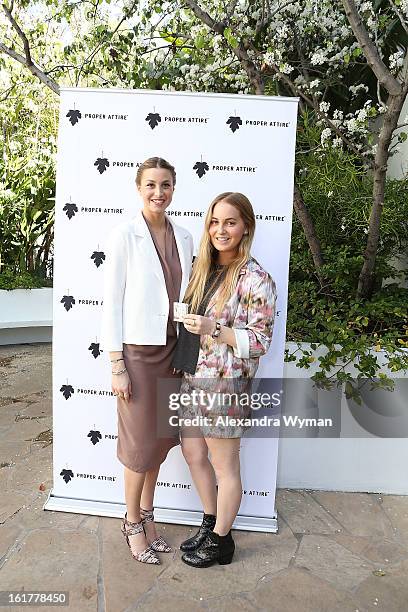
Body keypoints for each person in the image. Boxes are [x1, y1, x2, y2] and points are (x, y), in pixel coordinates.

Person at [172, 191, 277, 568]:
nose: (220, 230)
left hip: (225, 387)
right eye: (214, 222)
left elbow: (260, 340)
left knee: (225, 468)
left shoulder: (256, 278)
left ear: (245, 226)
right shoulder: (203, 268)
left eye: (230, 222)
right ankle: (209, 520)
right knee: (193, 454)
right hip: (191, 380)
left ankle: (222, 541)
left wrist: (216, 328)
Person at [100, 157, 193, 565]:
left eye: (166, 185)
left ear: (174, 189)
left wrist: (188, 355)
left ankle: (149, 517)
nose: (159, 192)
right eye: (151, 185)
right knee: (139, 448)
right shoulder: (124, 235)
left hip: (173, 351)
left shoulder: (187, 236)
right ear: (139, 188)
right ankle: (131, 522)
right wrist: (117, 364)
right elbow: (111, 304)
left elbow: (189, 298)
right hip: (137, 355)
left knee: (157, 444)